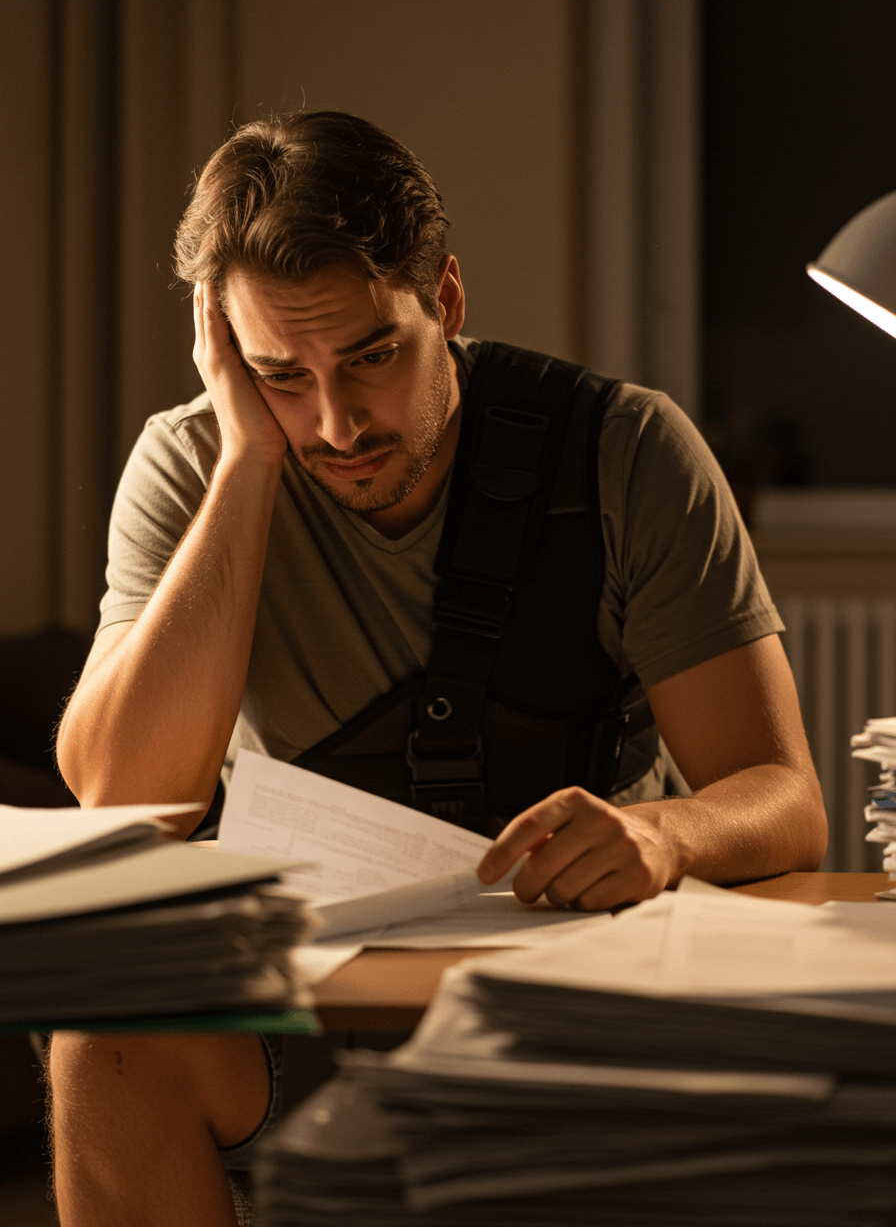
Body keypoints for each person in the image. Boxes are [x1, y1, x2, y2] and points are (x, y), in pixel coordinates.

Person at [49, 111, 826, 1226]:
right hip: (317, 1010)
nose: (335, 420)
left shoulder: (627, 451)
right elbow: (125, 800)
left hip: (580, 1001)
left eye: (370, 357)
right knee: (104, 1029)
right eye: (279, 371)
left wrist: (661, 834)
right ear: (222, 353)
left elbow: (784, 796)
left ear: (446, 301)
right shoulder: (197, 463)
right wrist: (246, 459)